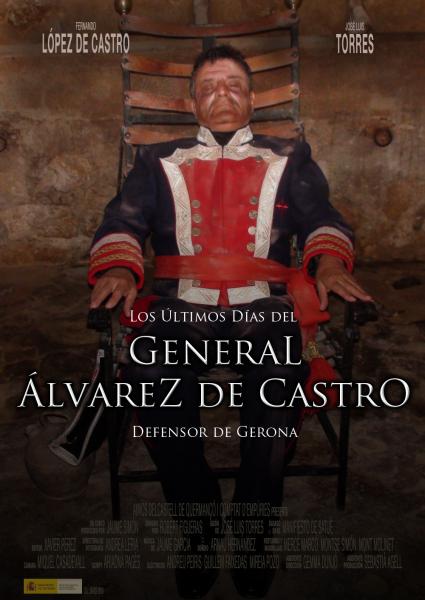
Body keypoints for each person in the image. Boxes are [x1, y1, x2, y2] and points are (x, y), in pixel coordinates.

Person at [89, 45, 371, 598]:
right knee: (152, 379)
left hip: (264, 307)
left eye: (234, 85)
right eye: (209, 86)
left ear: (251, 99)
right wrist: (121, 267)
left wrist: (330, 262)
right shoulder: (154, 160)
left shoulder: (291, 156)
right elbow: (121, 221)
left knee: (277, 388)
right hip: (178, 306)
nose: (222, 94)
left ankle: (252, 530)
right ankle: (197, 525)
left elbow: (323, 217)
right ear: (194, 101)